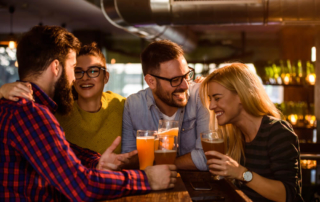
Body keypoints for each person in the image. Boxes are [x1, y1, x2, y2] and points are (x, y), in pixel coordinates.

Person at [0, 25, 177, 201]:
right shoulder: (32, 115)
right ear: (56, 67)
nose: (75, 78)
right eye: (74, 67)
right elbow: (81, 187)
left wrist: (96, 161)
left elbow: (58, 151)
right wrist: (147, 179)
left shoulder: (12, 107)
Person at [199, 63, 303, 202]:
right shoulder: (235, 135)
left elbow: (287, 195)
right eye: (210, 99)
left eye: (217, 98)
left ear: (241, 96)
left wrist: (240, 173)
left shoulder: (277, 132)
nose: (211, 106)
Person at [0, 43, 124, 155]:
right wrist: (1, 91)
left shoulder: (122, 105)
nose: (85, 77)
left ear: (106, 77)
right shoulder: (56, 111)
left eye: (93, 71)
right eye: (78, 71)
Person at [122, 40, 210, 170]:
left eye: (187, 75)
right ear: (151, 81)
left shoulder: (200, 95)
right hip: (151, 186)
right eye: (175, 80)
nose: (185, 85)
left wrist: (163, 166)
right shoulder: (133, 105)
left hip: (198, 184)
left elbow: (206, 157)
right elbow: (128, 160)